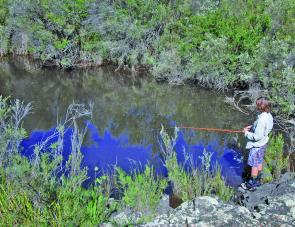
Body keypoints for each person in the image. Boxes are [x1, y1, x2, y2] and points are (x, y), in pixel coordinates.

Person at [241, 97, 273, 191]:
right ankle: (258, 179)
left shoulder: (261, 120)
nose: (256, 106)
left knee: (254, 164)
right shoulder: (268, 115)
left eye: (257, 104)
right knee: (259, 161)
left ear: (261, 106)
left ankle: (251, 183)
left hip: (256, 145)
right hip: (262, 144)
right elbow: (263, 128)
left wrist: (246, 133)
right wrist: (252, 126)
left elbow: (257, 137)